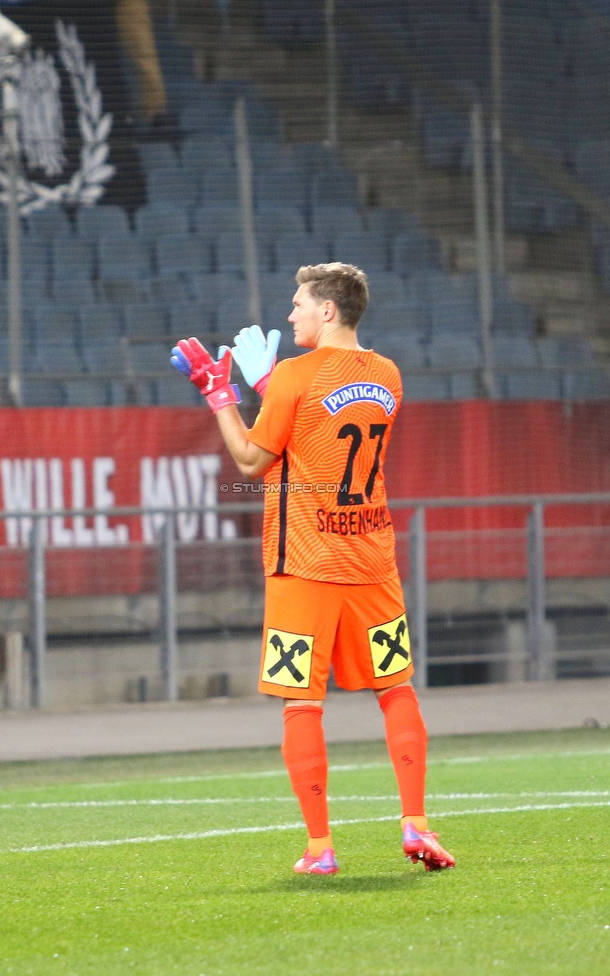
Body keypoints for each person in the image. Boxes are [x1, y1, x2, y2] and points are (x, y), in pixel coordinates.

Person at [171, 263, 455, 876]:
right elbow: (329, 424)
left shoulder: (297, 376)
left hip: (303, 565)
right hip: (373, 562)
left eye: (300, 303)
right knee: (397, 689)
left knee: (302, 705)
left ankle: (320, 848)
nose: (291, 312)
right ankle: (417, 826)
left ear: (328, 310)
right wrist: (272, 384)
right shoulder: (388, 374)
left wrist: (221, 395)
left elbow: (251, 460)